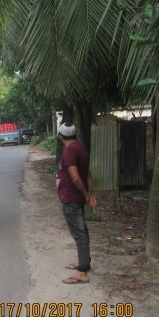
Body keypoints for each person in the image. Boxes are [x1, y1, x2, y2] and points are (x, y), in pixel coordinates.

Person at [56, 122, 98, 284]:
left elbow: (75, 177)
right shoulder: (81, 148)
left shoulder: (69, 151)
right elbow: (88, 174)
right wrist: (89, 194)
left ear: (60, 136)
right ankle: (83, 262)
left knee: (79, 233)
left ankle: (83, 272)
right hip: (77, 197)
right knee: (82, 231)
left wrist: (87, 195)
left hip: (71, 197)